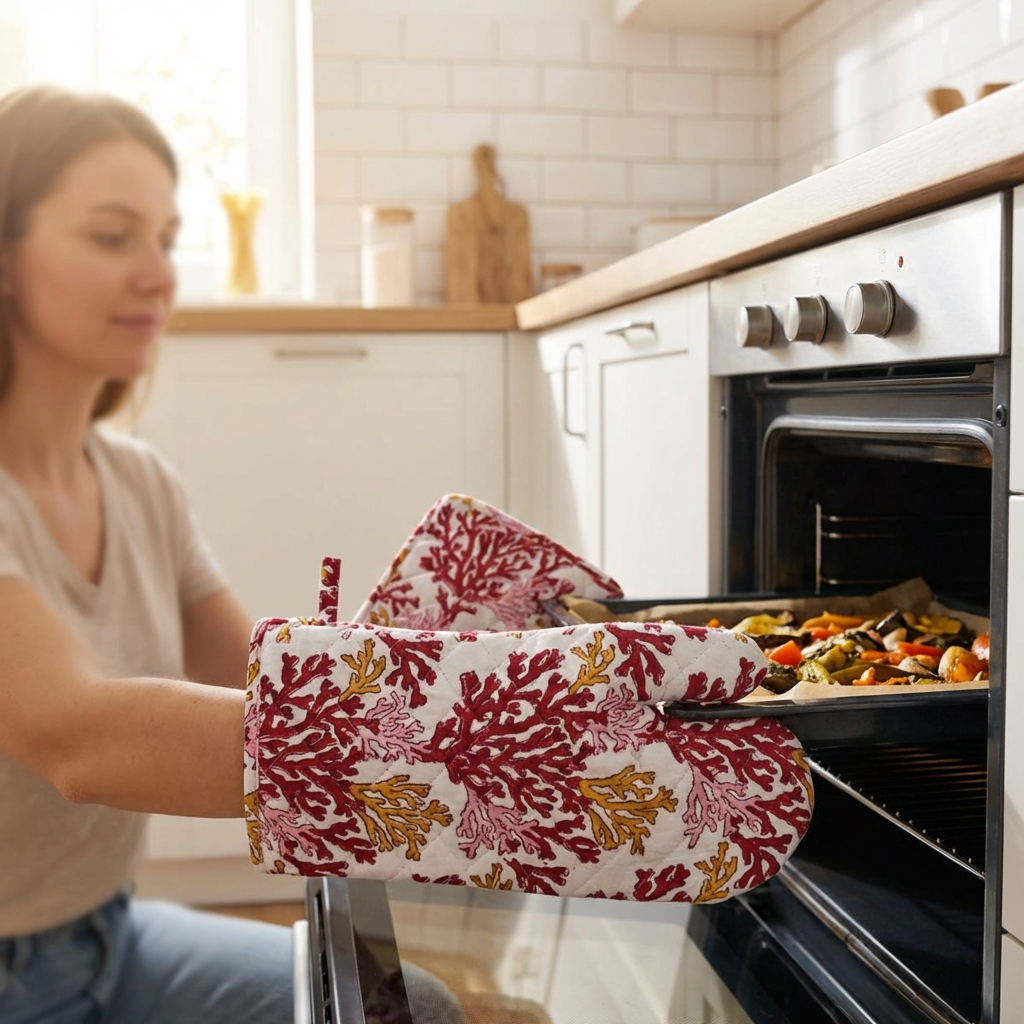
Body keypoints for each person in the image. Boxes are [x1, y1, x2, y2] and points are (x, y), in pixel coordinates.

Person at [0, 84, 294, 1023]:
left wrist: (462, 687)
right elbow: (78, 738)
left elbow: (266, 683)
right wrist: (440, 753)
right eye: (112, 235)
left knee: (400, 1005)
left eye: (166, 240)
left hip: (110, 936)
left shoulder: (140, 483)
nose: (159, 273)